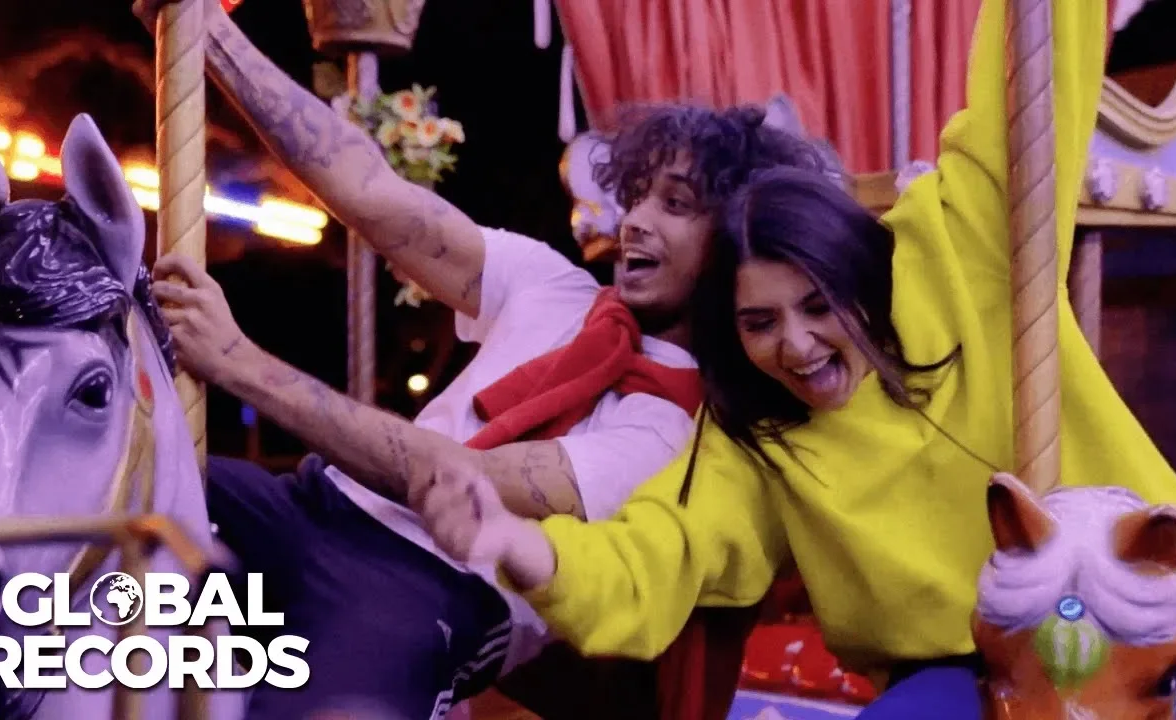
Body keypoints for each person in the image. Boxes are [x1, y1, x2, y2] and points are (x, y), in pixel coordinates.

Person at [413, 0, 1176, 717]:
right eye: (759, 322)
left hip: (1134, 605)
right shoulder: (753, 438)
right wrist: (518, 544)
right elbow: (653, 556)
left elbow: (1027, 87)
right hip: (955, 669)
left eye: (816, 305)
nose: (796, 347)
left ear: (857, 276)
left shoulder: (960, 252)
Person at [132, 1, 830, 717]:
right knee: (106, 491)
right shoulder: (553, 285)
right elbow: (369, 191)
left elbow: (454, 482)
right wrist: (206, 33)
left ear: (735, 242)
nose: (636, 220)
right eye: (639, 196)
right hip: (315, 505)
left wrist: (241, 364)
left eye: (675, 205)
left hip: (423, 588)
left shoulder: (674, 435)